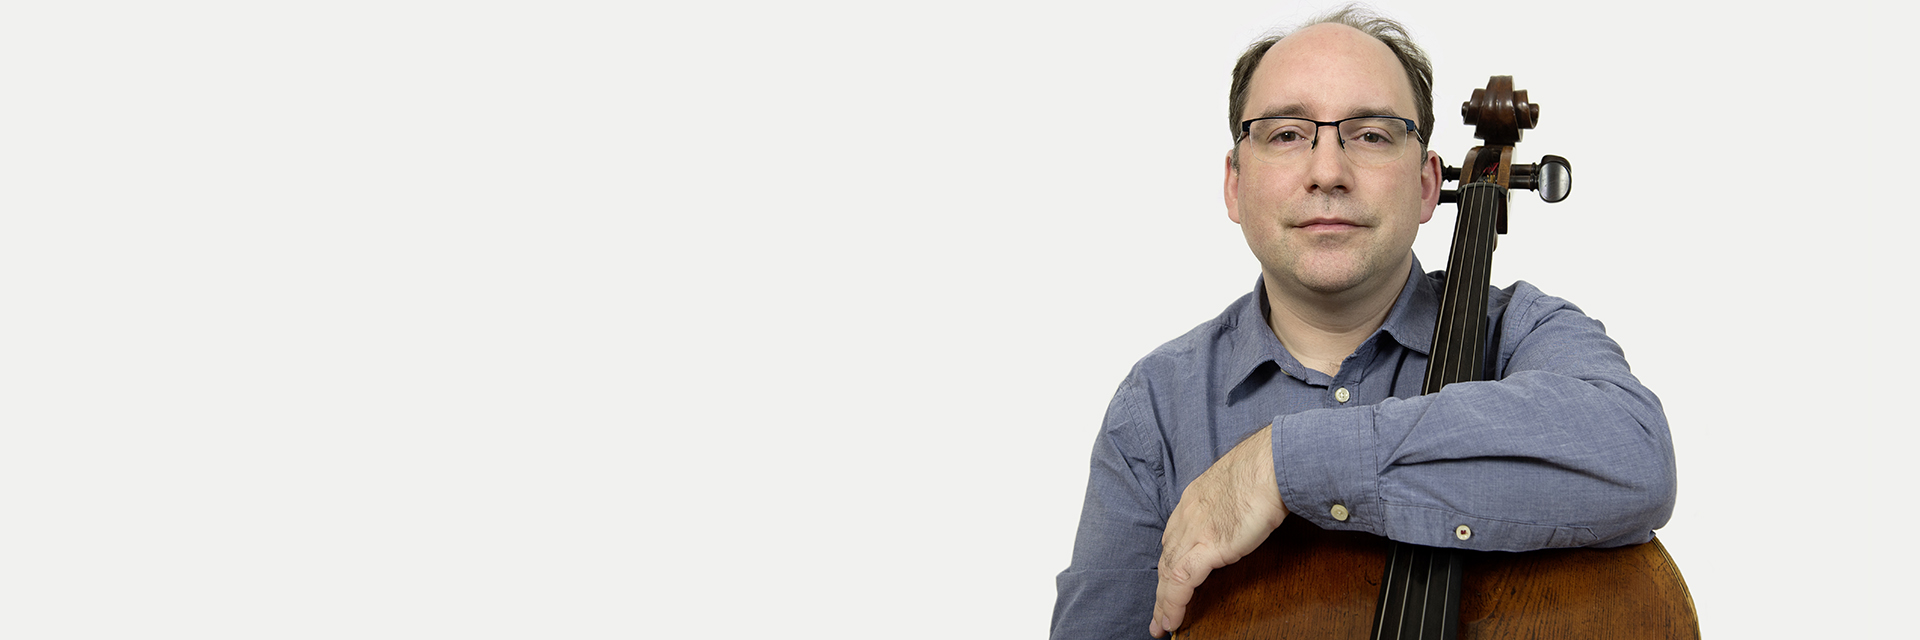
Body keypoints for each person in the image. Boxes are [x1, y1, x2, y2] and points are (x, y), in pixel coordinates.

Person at [1049, 6, 1677, 639]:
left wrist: (1282, 463)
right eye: (1286, 134)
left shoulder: (1522, 333)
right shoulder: (1157, 406)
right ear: (1235, 184)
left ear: (1427, 184)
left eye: (1372, 135)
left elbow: (1633, 453)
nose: (1328, 173)